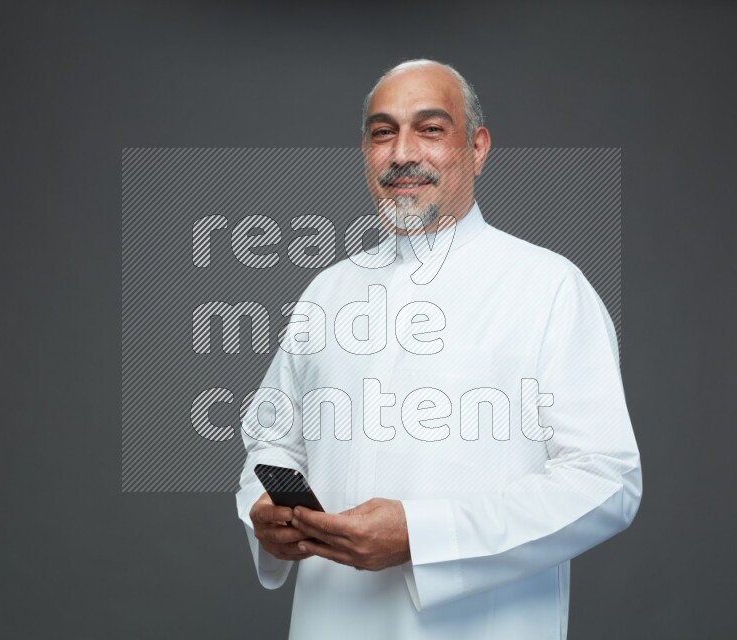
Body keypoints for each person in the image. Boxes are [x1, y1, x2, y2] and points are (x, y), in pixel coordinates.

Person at [235, 59, 642, 640]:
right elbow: (272, 438)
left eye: (430, 129)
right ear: (366, 152)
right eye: (383, 132)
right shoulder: (328, 290)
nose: (402, 153)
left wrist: (421, 537)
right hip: (329, 620)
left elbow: (605, 481)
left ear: (477, 148)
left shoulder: (548, 287)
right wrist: (265, 512)